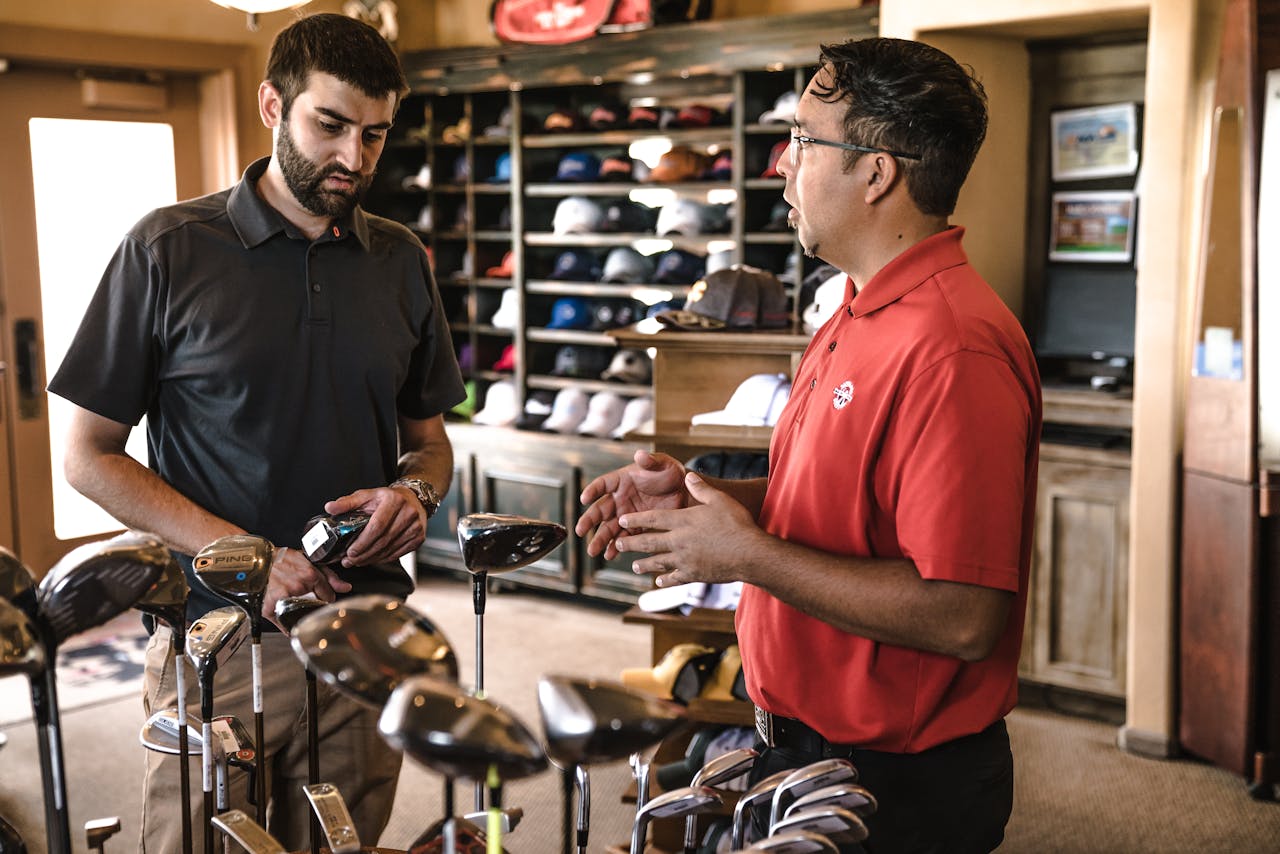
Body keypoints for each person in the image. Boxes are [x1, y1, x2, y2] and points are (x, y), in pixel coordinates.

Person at [577, 37, 1040, 854]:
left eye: (803, 139)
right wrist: (697, 503)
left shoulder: (954, 347)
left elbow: (966, 615)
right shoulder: (855, 313)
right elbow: (831, 506)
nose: (780, 165)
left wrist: (747, 557)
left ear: (877, 172)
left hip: (893, 782)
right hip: (801, 746)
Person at [49, 13, 464, 850]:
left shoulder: (401, 262)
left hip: (364, 630)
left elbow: (431, 444)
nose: (355, 158)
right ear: (272, 104)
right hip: (218, 637)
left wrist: (415, 492)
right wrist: (250, 559)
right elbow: (87, 458)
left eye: (376, 135)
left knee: (344, 842)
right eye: (331, 125)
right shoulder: (166, 250)